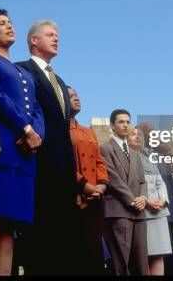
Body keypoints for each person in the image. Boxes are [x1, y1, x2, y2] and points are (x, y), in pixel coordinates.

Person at [0, 8, 45, 275]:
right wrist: (24, 128)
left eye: (10, 22)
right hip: (2, 146)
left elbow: (37, 108)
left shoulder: (23, 72)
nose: (9, 26)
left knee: (11, 223)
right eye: (2, 23)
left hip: (26, 155)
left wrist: (36, 134)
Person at [16, 20, 80, 275]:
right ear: (33, 40)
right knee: (41, 234)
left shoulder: (61, 82)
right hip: (38, 163)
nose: (56, 39)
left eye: (57, 35)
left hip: (64, 168)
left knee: (64, 237)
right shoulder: (22, 70)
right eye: (50, 35)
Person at [137, 124, 173, 275]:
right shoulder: (142, 156)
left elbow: (170, 187)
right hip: (150, 211)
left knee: (170, 256)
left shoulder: (160, 157)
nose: (155, 136)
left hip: (168, 212)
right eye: (150, 134)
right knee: (156, 257)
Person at [100, 109, 149, 275]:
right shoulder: (105, 148)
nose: (125, 125)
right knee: (121, 262)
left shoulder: (135, 153)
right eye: (121, 122)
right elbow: (113, 179)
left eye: (128, 122)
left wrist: (143, 197)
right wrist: (133, 200)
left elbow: (142, 181)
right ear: (112, 126)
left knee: (141, 262)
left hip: (139, 213)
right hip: (119, 210)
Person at [67, 86, 110, 275]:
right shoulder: (59, 131)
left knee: (95, 251)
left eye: (77, 95)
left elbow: (100, 162)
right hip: (74, 197)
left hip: (95, 199)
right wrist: (84, 186)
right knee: (76, 250)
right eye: (70, 96)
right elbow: (64, 162)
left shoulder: (88, 132)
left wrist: (101, 185)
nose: (77, 98)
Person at [128, 126, 171, 275]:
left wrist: (163, 201)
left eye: (140, 134)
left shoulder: (149, 158)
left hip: (159, 212)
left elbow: (160, 182)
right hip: (141, 212)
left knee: (159, 254)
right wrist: (147, 202)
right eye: (133, 134)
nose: (138, 137)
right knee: (143, 256)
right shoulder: (124, 157)